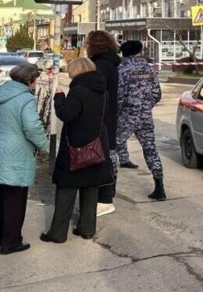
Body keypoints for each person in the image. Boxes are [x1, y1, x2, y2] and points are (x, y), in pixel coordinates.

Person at [0, 64, 48, 254]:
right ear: (29, 80)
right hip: (14, 155)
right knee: (14, 200)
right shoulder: (25, 98)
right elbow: (32, 128)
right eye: (35, 80)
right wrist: (46, 146)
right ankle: (11, 242)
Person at [41, 58, 113, 244]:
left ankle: (57, 233)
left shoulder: (78, 90)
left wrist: (59, 98)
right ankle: (87, 229)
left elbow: (67, 114)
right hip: (96, 147)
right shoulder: (102, 90)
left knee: (66, 189)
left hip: (76, 146)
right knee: (90, 189)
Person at [116, 41, 166, 201]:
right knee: (150, 149)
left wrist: (116, 114)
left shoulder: (123, 69)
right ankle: (159, 188)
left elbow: (119, 96)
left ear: (123, 53)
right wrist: (145, 107)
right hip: (145, 116)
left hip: (126, 116)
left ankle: (109, 189)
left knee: (112, 147)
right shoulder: (149, 68)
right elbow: (157, 94)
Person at [86, 30, 121, 217]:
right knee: (106, 154)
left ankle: (105, 199)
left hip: (101, 118)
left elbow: (95, 92)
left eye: (87, 42)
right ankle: (104, 197)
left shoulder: (100, 65)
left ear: (95, 44)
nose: (85, 46)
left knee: (101, 157)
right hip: (108, 116)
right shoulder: (110, 63)